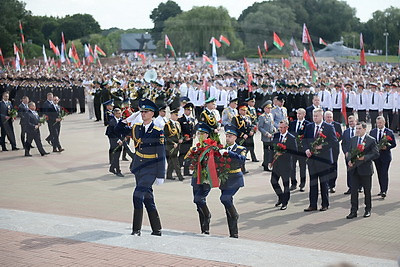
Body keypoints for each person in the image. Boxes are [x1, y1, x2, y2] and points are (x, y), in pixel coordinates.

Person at [115, 98, 165, 236]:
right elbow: (117, 129)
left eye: (146, 112)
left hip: (151, 169)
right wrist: (127, 119)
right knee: (148, 198)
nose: (142, 114)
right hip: (139, 168)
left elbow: (161, 154)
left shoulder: (157, 131)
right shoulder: (137, 127)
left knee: (137, 196)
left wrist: (161, 175)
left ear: (152, 114)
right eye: (141, 111)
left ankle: (136, 230)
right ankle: (157, 229)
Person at [303, 108, 337, 212]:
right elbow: (304, 140)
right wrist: (307, 149)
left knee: (324, 183)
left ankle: (325, 204)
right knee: (313, 183)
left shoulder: (328, 127)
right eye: (313, 116)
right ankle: (312, 204)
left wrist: (322, 147)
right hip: (312, 160)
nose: (314, 118)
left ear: (321, 116)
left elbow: (334, 142)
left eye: (316, 116)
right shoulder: (309, 127)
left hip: (324, 160)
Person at [346, 121, 379, 219]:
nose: (357, 130)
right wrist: (349, 161)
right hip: (354, 169)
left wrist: (364, 157)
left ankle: (367, 209)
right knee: (353, 191)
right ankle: (353, 211)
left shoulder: (371, 140)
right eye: (356, 128)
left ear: (365, 129)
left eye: (359, 128)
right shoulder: (353, 139)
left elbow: (376, 153)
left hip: (365, 170)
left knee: (367, 191)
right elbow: (350, 152)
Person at [219, 124, 247, 238]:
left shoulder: (241, 149)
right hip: (225, 179)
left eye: (230, 136)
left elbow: (242, 159)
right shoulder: (222, 148)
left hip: (235, 178)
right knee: (227, 206)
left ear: (235, 137)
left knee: (224, 199)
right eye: (226, 136)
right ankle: (233, 233)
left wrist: (229, 153)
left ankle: (235, 215)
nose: (228, 138)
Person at [190, 122, 213, 234]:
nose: (200, 136)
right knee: (198, 205)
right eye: (199, 133)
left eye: (202, 134)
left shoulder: (211, 147)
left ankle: (208, 215)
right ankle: (204, 229)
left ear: (207, 135)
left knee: (199, 199)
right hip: (196, 178)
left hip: (205, 179)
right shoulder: (195, 147)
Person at [270, 120, 297, 210]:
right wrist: (270, 160)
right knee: (273, 181)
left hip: (286, 164)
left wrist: (283, 153)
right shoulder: (276, 135)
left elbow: (295, 151)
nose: (280, 129)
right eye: (279, 127)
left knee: (286, 184)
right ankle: (281, 197)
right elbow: (272, 148)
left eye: (282, 128)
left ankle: (285, 202)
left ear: (287, 127)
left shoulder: (291, 138)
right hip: (276, 164)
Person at [369, 116, 397, 198]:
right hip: (376, 157)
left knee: (384, 173)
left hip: (386, 157)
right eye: (377, 123)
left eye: (380, 123)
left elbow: (394, 144)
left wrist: (387, 147)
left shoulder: (389, 132)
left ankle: (384, 190)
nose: (379, 124)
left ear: (384, 123)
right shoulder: (373, 132)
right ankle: (381, 189)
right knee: (379, 173)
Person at [288, 108, 310, 191]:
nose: (298, 115)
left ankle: (302, 183)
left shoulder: (307, 124)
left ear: (304, 114)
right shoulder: (293, 123)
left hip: (302, 149)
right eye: (297, 114)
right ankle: (293, 183)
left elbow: (307, 136)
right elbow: (289, 134)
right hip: (293, 149)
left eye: (300, 114)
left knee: (302, 167)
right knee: (292, 166)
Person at [324, 110, 342, 193]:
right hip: (324, 149)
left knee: (333, 166)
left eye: (330, 117)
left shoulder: (337, 125)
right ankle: (326, 184)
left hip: (334, 149)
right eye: (327, 117)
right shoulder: (322, 125)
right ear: (324, 117)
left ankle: (332, 185)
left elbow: (340, 136)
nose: (329, 118)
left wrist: (336, 140)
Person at [164, 108, 184, 181]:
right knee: (175, 161)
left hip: (177, 144)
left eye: (177, 115)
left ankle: (169, 175)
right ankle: (180, 176)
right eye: (175, 115)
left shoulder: (177, 123)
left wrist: (181, 138)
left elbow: (180, 133)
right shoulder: (167, 125)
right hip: (171, 145)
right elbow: (166, 136)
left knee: (171, 161)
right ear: (171, 115)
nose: (177, 116)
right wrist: (173, 143)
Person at [341, 116, 359, 195]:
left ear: (356, 121)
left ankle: (359, 186)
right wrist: (345, 152)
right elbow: (343, 143)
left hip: (358, 154)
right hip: (348, 155)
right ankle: (350, 187)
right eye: (350, 121)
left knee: (358, 170)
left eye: (352, 121)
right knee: (349, 170)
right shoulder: (346, 132)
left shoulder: (359, 130)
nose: (351, 123)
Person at [105, 108, 124, 177]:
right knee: (116, 156)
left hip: (120, 140)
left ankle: (112, 168)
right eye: (118, 113)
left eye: (120, 113)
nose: (120, 114)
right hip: (113, 140)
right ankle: (118, 171)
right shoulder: (112, 122)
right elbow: (110, 133)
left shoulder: (121, 120)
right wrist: (117, 140)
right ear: (115, 114)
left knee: (117, 155)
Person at [257, 101, 275, 171]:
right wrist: (266, 133)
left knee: (272, 151)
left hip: (272, 136)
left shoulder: (271, 115)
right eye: (268, 108)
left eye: (270, 108)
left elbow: (272, 124)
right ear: (264, 109)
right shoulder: (262, 117)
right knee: (266, 152)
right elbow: (260, 127)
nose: (269, 110)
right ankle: (266, 166)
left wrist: (274, 129)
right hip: (266, 137)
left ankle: (268, 162)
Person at [178, 102, 195, 176]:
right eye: (188, 110)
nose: (189, 112)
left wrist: (193, 135)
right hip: (184, 141)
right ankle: (178, 170)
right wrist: (183, 137)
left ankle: (186, 171)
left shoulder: (192, 119)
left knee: (188, 155)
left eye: (190, 111)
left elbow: (193, 129)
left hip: (190, 140)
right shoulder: (181, 120)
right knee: (182, 155)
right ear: (185, 110)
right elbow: (179, 131)